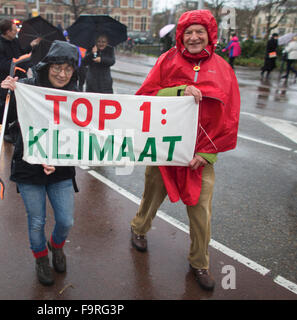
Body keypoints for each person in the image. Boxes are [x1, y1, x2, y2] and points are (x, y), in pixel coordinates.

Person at [129, 10, 240, 291]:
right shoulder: (166, 61)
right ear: (181, 35)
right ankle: (139, 229)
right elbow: (144, 97)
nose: (193, 37)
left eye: (199, 32)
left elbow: (230, 116)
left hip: (200, 156)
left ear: (209, 35)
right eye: (188, 32)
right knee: (151, 196)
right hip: (165, 150)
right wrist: (179, 91)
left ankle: (199, 262)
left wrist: (208, 154)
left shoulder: (224, 69)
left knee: (201, 212)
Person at [0, 40, 79, 286]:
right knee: (36, 221)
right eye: (57, 67)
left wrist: (58, 156)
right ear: (48, 66)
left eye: (68, 69)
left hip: (61, 166)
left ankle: (56, 246)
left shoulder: (75, 94)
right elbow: (0, 117)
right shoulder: (27, 87)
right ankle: (41, 258)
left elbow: (81, 132)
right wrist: (7, 93)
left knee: (66, 220)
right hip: (28, 164)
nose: (62, 74)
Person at [0, 18, 40, 143]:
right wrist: (17, 61)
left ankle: (16, 127)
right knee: (7, 105)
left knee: (18, 105)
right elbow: (1, 65)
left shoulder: (15, 41)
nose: (16, 32)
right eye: (14, 30)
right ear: (7, 32)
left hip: (20, 80)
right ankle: (6, 131)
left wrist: (31, 46)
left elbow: (21, 51)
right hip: (7, 81)